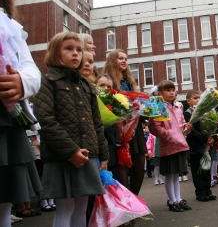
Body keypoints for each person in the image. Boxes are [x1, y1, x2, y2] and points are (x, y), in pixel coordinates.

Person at [33, 32, 109, 227]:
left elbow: (96, 122)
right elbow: (46, 120)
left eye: (78, 49)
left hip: (88, 154)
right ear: (54, 53)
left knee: (82, 206)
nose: (76, 54)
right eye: (68, 49)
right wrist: (71, 151)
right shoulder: (47, 81)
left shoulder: (86, 84)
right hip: (63, 156)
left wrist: (103, 154)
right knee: (66, 207)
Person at [0, 0, 43, 225]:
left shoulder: (8, 24)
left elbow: (29, 67)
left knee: (3, 197)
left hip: (3, 120)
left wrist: (22, 83)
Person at [103, 49, 147, 195]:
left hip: (135, 128)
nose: (124, 61)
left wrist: (147, 109)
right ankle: (126, 205)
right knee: (120, 168)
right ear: (112, 60)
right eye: (120, 58)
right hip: (116, 129)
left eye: (126, 59)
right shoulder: (107, 80)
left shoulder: (129, 82)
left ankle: (134, 201)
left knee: (139, 166)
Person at [148, 80, 192, 212]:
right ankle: (172, 201)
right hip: (168, 144)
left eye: (173, 90)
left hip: (179, 143)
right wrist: (167, 135)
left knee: (176, 174)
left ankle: (178, 199)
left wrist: (186, 128)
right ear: (160, 93)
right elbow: (154, 127)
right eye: (168, 90)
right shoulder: (159, 107)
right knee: (169, 174)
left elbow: (181, 123)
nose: (171, 92)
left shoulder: (178, 108)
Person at [184, 90, 216, 202]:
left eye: (199, 98)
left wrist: (212, 137)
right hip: (195, 146)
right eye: (195, 98)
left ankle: (207, 190)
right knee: (197, 170)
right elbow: (191, 131)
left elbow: (210, 126)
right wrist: (204, 138)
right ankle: (200, 192)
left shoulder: (205, 112)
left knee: (206, 168)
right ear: (188, 101)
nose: (198, 100)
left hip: (206, 145)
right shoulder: (187, 114)